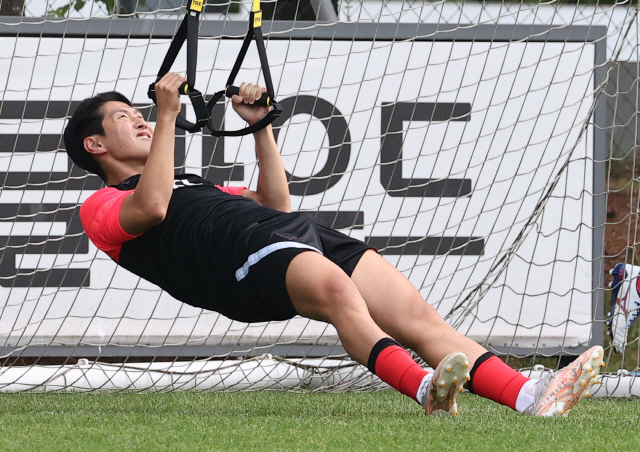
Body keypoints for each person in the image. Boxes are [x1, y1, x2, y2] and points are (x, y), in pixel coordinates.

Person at [64, 72, 605, 417]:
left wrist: (261, 127)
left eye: (138, 112)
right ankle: (423, 389)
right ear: (96, 145)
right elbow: (152, 207)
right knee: (338, 295)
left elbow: (276, 203)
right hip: (236, 262)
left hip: (281, 232)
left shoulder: (190, 182)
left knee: (416, 313)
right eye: (123, 117)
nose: (137, 119)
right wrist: (164, 117)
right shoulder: (101, 206)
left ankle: (529, 397)